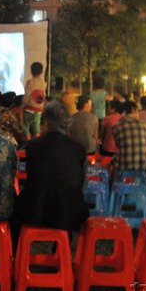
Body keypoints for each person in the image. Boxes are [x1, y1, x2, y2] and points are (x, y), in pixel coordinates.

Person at [12, 102, 89, 242]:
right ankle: (63, 246)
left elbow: (35, 180)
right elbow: (81, 184)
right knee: (67, 197)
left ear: (46, 122)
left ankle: (16, 251)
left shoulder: (34, 147)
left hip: (36, 211)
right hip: (70, 213)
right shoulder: (78, 149)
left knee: (15, 209)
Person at [111, 101, 146, 177]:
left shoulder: (116, 127)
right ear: (133, 109)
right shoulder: (144, 125)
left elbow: (119, 146)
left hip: (123, 167)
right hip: (143, 167)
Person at [22, 62, 47, 139]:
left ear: (31, 71)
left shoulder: (30, 82)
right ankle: (37, 143)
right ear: (41, 71)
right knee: (37, 128)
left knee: (26, 126)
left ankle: (28, 142)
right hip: (39, 109)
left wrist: (22, 105)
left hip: (29, 108)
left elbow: (27, 95)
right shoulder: (44, 83)